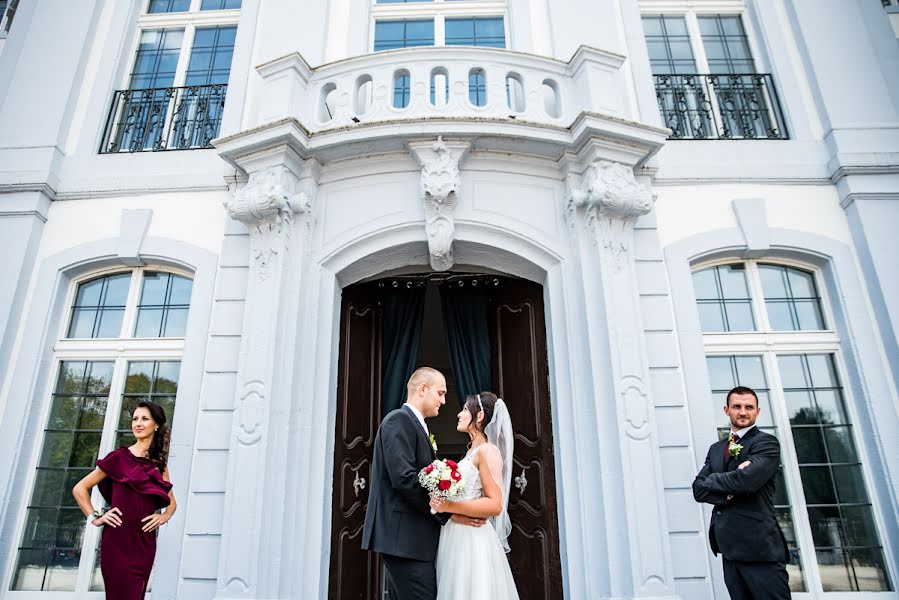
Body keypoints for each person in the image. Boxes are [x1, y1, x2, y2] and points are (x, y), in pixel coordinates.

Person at [362, 367, 483, 600]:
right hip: (405, 541)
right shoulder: (398, 420)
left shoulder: (416, 425)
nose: (444, 400)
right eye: (440, 393)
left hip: (412, 541)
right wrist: (446, 513)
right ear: (422, 389)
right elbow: (404, 479)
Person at [692, 385, 790, 600]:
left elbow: (746, 481)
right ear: (727, 410)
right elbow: (698, 490)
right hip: (728, 549)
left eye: (749, 407)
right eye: (737, 406)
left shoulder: (765, 443)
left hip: (759, 549)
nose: (743, 412)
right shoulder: (716, 449)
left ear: (758, 411)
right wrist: (728, 488)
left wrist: (714, 480)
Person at [72, 401, 176, 599]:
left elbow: (172, 503)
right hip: (118, 543)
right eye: (135, 419)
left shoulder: (158, 465)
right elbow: (80, 488)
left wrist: (164, 517)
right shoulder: (118, 457)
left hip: (144, 544)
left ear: (156, 425)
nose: (138, 423)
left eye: (144, 419)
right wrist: (96, 516)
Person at [429, 392, 520, 600]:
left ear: (479, 416)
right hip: (455, 534)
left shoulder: (488, 451)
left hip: (473, 538)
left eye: (464, 410)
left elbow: (494, 504)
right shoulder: (471, 451)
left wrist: (448, 507)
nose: (459, 415)